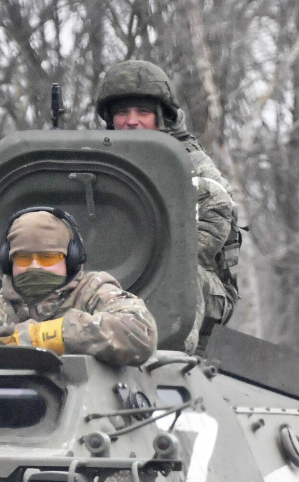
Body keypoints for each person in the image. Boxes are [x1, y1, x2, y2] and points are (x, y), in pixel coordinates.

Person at [95, 59, 241, 353]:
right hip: (117, 276)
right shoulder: (100, 159)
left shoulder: (187, 161)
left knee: (181, 280)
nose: (132, 121)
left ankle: (170, 360)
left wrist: (156, 260)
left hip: (196, 287)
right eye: (123, 112)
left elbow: (217, 212)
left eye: (143, 112)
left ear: (162, 118)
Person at [0, 207, 158, 367]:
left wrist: (46, 336)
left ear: (71, 259)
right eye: (23, 258)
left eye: (47, 258)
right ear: (8, 263)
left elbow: (140, 334)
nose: (35, 266)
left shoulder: (93, 292)